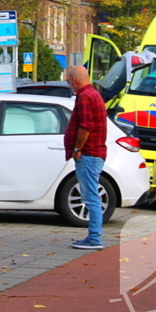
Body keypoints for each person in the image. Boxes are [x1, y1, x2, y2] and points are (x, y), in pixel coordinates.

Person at [64, 65, 109, 250]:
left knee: (90, 197)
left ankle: (94, 238)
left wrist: (77, 148)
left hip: (88, 154)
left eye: (69, 81)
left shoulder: (84, 97)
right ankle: (93, 237)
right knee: (91, 196)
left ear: (74, 80)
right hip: (95, 153)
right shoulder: (94, 94)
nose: (70, 85)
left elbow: (85, 126)